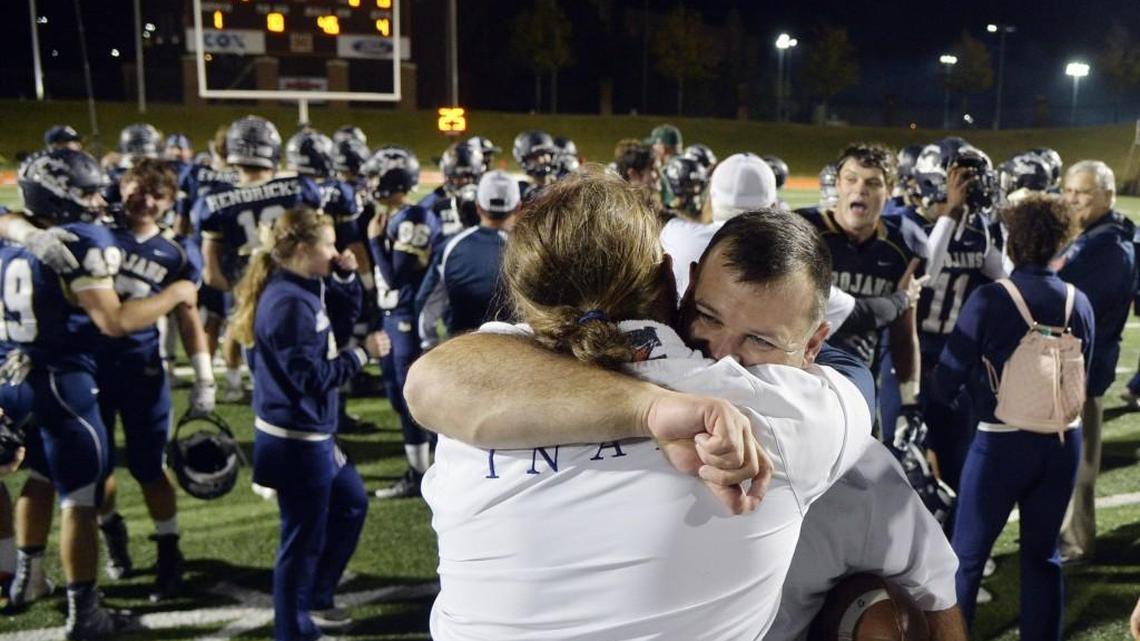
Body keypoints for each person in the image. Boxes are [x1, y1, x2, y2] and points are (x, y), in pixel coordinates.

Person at [409, 174, 874, 639]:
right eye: (709, 316)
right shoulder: (776, 409)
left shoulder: (474, 398)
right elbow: (857, 381)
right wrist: (648, 408)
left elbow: (428, 382)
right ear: (669, 277)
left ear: (525, 293)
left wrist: (647, 407)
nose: (728, 350)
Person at [0, 148, 198, 638]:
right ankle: (85, 614)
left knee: (39, 479)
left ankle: (27, 578)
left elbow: (9, 220)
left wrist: (24, 230)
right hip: (65, 380)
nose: (97, 199)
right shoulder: (85, 237)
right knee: (78, 500)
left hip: (12, 372)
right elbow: (113, 321)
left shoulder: (12, 237)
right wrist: (174, 295)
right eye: (87, 191)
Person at [931, 194, 1094, 641]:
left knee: (964, 559)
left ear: (1012, 240)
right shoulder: (1080, 302)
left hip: (1000, 444)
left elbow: (948, 377)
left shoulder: (991, 298)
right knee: (1042, 559)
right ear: (1062, 241)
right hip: (1063, 442)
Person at [233, 207, 381, 641]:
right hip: (297, 440)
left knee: (352, 503)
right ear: (301, 249)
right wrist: (362, 355)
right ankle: (292, 631)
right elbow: (311, 379)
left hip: (313, 433)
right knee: (300, 544)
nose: (337, 252)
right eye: (329, 245)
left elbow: (338, 319)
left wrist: (344, 280)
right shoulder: (287, 303)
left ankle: (317, 597)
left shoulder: (301, 284)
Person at [94, 159, 214, 600]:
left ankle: (169, 549)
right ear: (122, 186)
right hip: (89, 367)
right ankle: (111, 530)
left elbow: (188, 318)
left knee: (149, 467)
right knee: (96, 468)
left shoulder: (178, 251)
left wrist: (204, 377)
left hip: (142, 369)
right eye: (137, 188)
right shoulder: (96, 231)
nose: (145, 200)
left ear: (169, 202)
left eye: (156, 194)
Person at [797, 143, 926, 439]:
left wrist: (910, 401)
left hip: (860, 385)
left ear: (890, 190)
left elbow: (904, 333)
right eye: (851, 179)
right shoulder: (805, 233)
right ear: (838, 184)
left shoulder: (903, 246)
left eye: (873, 182)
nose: (860, 189)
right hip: (799, 380)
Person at [195, 115, 323, 403]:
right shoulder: (300, 189)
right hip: (292, 286)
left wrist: (232, 288)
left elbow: (210, 271)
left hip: (245, 285)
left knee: (245, 341)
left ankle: (239, 387)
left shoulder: (214, 200)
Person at [1055, 161, 1137, 563]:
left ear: (1107, 194)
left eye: (1083, 192)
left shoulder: (1110, 247)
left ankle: (1077, 539)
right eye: (1068, 191)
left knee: (1080, 458)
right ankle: (1067, 532)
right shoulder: (1097, 235)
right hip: (1075, 363)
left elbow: (1076, 305)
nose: (1072, 200)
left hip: (1086, 366)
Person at [363, 147, 442, 499]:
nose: (372, 182)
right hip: (391, 317)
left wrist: (374, 242)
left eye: (378, 176)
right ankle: (424, 468)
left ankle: (422, 473)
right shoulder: (395, 216)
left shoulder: (414, 217)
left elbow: (394, 277)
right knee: (398, 397)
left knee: (411, 399)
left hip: (406, 317)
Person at [416, 169, 519, 348]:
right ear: (518, 206)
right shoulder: (528, 250)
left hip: (462, 353)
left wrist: (429, 344)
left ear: (478, 206)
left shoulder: (452, 246)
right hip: (513, 356)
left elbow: (427, 302)